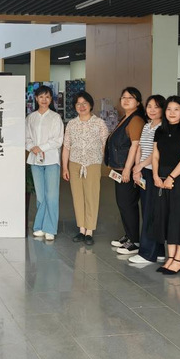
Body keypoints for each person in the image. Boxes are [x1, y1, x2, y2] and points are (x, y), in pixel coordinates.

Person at [152, 95, 180, 274]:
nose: (172, 113)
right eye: (169, 109)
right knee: (167, 217)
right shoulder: (160, 131)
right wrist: (156, 175)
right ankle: (170, 258)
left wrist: (171, 177)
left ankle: (178, 260)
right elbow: (155, 155)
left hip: (179, 178)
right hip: (161, 177)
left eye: (176, 109)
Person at [62, 92, 108, 246]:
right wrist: (65, 167)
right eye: (78, 104)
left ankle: (89, 231)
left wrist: (106, 162)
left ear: (90, 105)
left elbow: (105, 145)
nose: (81, 106)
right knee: (77, 197)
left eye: (84, 103)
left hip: (92, 164)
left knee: (92, 196)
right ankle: (81, 229)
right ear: (75, 107)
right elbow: (66, 147)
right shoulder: (71, 124)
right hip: (74, 163)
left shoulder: (99, 123)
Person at [107, 87, 146, 254]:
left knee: (128, 204)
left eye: (130, 98)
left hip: (126, 169)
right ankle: (129, 235)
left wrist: (127, 169)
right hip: (120, 168)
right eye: (123, 97)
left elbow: (135, 146)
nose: (126, 100)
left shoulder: (136, 119)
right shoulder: (126, 117)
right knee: (123, 204)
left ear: (138, 102)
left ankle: (134, 242)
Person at [128, 94, 166, 265]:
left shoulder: (163, 127)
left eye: (156, 107)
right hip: (143, 171)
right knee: (148, 210)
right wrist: (137, 168)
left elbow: (157, 152)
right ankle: (159, 251)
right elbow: (140, 148)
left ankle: (147, 254)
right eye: (149, 106)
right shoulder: (146, 126)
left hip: (154, 172)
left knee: (151, 212)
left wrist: (141, 165)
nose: (152, 110)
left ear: (162, 109)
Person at [25, 85, 64, 241]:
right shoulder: (31, 118)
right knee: (40, 195)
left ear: (51, 99)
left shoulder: (55, 117)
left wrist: (41, 147)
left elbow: (58, 140)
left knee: (52, 195)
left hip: (51, 160)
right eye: (41, 96)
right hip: (35, 160)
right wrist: (32, 148)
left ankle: (50, 228)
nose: (44, 100)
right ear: (36, 98)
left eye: (47, 97)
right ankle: (39, 226)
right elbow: (26, 138)